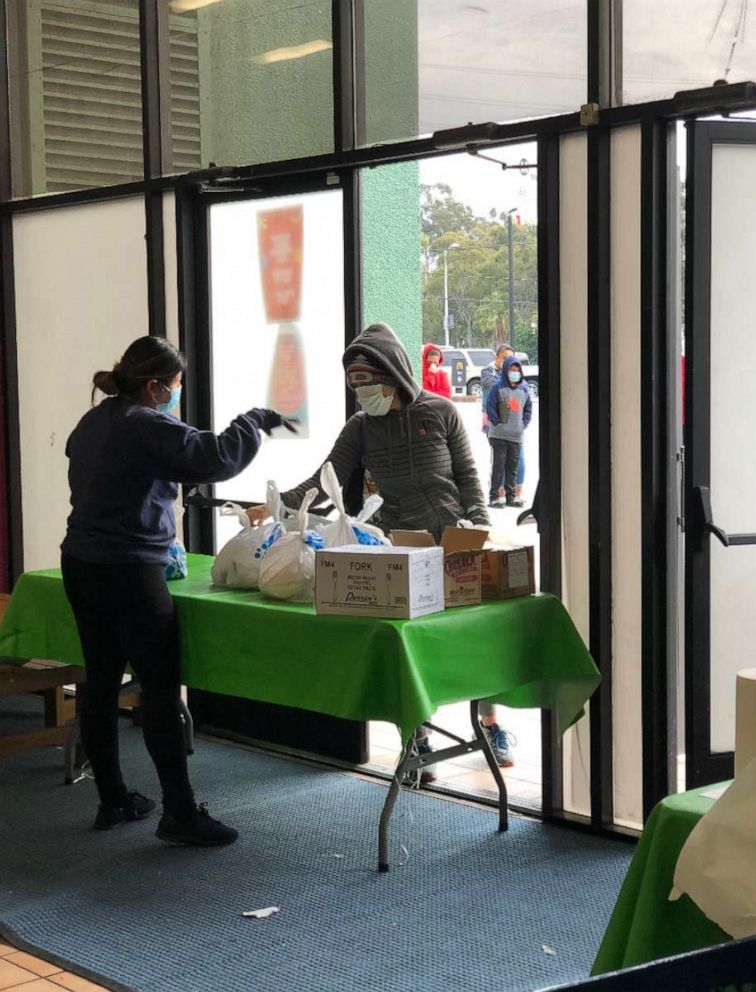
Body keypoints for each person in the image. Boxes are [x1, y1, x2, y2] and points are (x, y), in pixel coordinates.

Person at [62, 336, 287, 846]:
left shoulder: (93, 422)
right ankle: (180, 813)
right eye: (176, 387)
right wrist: (252, 421)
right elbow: (213, 459)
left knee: (99, 682)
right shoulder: (145, 424)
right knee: (160, 690)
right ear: (154, 385)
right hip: (129, 569)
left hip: (81, 561)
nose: (176, 396)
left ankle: (114, 800)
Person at [247, 322, 490, 781]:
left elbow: (469, 476)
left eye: (368, 382)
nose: (361, 392)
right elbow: (325, 481)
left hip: (448, 541)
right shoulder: (360, 428)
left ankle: (486, 723)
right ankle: (415, 739)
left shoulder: (439, 412)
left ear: (393, 375)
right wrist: (278, 508)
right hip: (395, 549)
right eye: (354, 384)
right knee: (404, 648)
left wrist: (477, 525)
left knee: (462, 640)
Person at [486, 355, 532, 509]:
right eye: (512, 369)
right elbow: (490, 406)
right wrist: (497, 422)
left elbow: (528, 409)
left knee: (512, 468)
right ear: (506, 370)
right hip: (499, 436)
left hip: (516, 436)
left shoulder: (524, 389)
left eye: (517, 370)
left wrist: (523, 424)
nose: (515, 372)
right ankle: (494, 497)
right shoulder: (497, 387)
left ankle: (511, 497)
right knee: (498, 466)